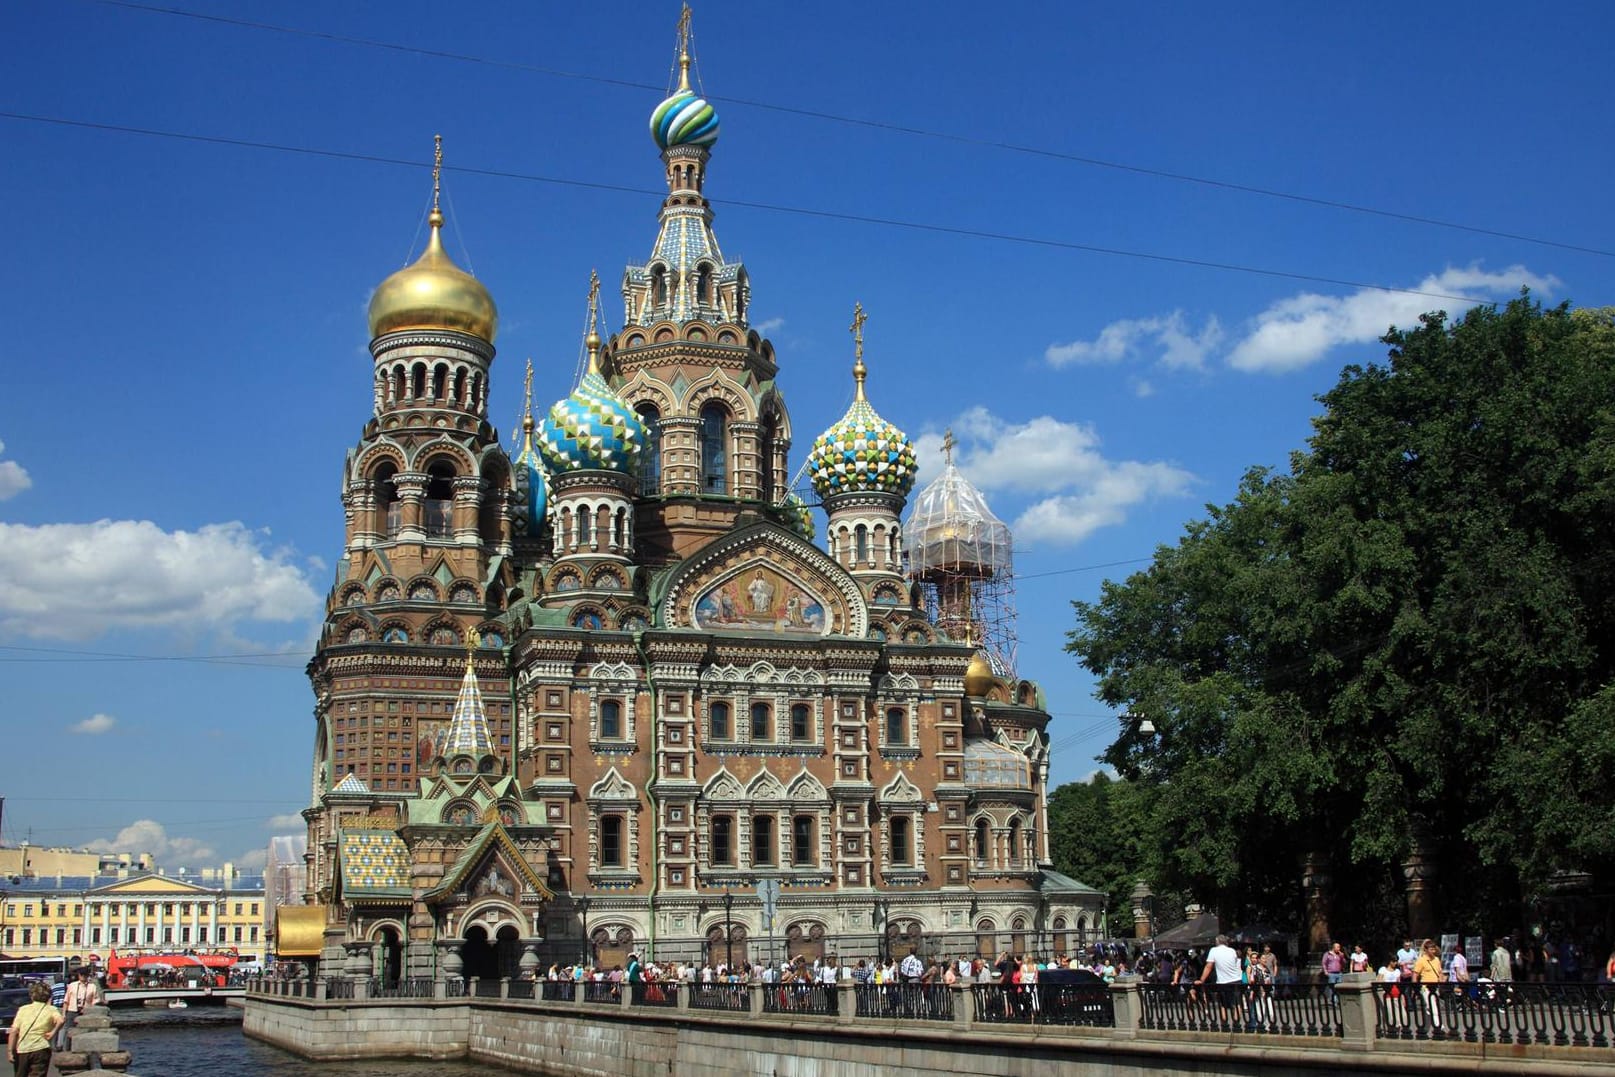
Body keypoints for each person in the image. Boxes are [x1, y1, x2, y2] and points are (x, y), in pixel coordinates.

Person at [7, 981, 63, 1077]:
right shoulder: (51, 1009)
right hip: (41, 1048)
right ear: (48, 996)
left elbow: (14, 1031)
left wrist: (10, 1051)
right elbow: (61, 1021)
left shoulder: (23, 1009)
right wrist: (53, 1032)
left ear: (32, 996)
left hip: (23, 1049)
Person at [1195, 934, 1244, 1022]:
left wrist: (1202, 980)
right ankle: (1236, 1023)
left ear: (1217, 942)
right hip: (1236, 979)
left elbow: (1208, 966)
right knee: (1237, 1003)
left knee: (1223, 1004)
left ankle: (1224, 1023)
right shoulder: (1232, 950)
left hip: (1223, 981)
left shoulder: (1214, 950)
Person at [57, 966, 102, 1050]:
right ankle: (66, 1049)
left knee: (85, 1032)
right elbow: (66, 1000)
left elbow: (96, 1000)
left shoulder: (92, 987)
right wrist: (63, 1014)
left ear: (88, 975)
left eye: (85, 975)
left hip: (85, 1013)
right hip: (72, 1011)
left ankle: (83, 1049)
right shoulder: (72, 985)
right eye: (81, 974)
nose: (83, 976)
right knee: (68, 1031)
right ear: (79, 975)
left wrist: (92, 1010)